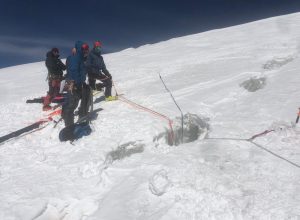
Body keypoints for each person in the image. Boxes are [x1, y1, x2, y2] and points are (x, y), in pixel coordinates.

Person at [62, 41, 91, 127]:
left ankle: (80, 113)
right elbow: (74, 71)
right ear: (80, 48)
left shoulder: (80, 58)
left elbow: (81, 71)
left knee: (73, 101)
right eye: (85, 49)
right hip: (74, 84)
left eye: (87, 49)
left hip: (77, 83)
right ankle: (69, 127)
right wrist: (77, 83)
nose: (86, 51)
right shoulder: (76, 58)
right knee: (72, 105)